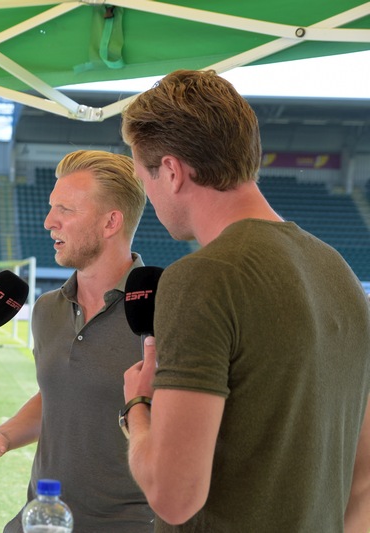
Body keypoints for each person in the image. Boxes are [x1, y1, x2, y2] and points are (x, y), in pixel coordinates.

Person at [120, 69, 370, 532]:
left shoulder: (202, 278)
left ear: (171, 172)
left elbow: (174, 497)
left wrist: (137, 407)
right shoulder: (340, 272)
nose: (150, 197)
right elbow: (363, 478)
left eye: (145, 178)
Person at [0, 150, 154, 531]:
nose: (48, 222)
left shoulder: (163, 311)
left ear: (111, 222)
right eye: (51, 207)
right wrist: (4, 435)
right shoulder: (47, 309)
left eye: (66, 209)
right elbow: (59, 396)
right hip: (44, 519)